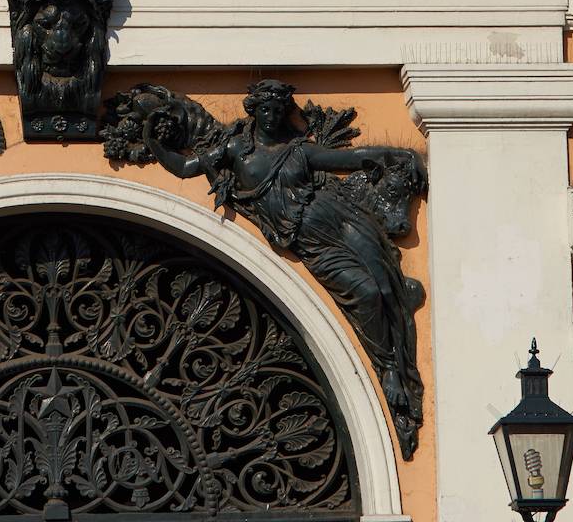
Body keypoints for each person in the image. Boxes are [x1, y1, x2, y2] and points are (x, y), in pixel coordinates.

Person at [144, 77, 426, 458]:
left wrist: (395, 156)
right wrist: (154, 141)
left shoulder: (299, 152)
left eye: (280, 110)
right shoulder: (234, 150)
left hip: (343, 222)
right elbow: (186, 167)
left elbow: (350, 159)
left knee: (388, 287)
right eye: (266, 110)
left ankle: (396, 369)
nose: (274, 116)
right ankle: (389, 366)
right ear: (253, 112)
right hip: (312, 242)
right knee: (366, 292)